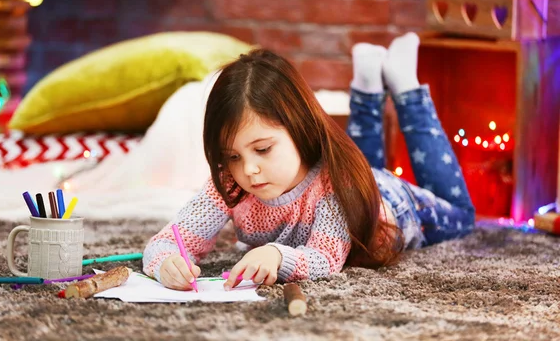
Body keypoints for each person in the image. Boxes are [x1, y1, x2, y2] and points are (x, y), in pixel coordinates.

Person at [142, 32, 475, 291]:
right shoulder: (229, 183)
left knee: (464, 215)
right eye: (232, 156)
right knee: (358, 160)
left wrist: (276, 254)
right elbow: (169, 240)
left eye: (263, 149)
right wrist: (165, 262)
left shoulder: (334, 183)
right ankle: (368, 82)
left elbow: (325, 258)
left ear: (300, 128)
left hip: (391, 205)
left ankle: (407, 90)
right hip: (354, 178)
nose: (248, 170)